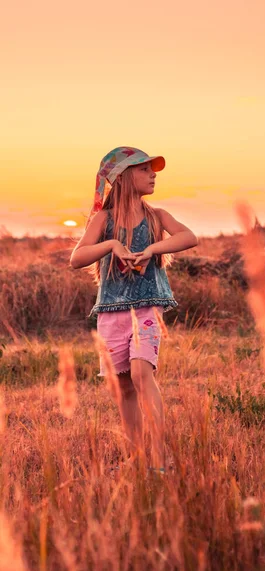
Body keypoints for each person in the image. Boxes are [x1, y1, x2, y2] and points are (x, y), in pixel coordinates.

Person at [70, 146, 198, 475]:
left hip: (145, 309)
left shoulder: (157, 217)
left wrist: (151, 248)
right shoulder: (104, 219)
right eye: (144, 169)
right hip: (111, 312)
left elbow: (189, 237)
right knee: (125, 387)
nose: (153, 174)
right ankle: (138, 456)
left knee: (142, 374)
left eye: (152, 170)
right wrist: (112, 245)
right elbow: (77, 258)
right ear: (124, 177)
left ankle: (159, 457)